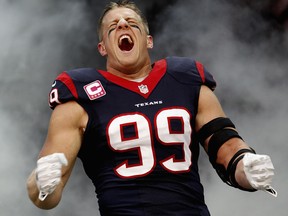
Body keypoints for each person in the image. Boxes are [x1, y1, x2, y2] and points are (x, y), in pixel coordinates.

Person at [26, 0, 277, 215]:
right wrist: (40, 184)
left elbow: (225, 144)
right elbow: (48, 190)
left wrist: (245, 165)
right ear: (102, 47)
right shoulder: (80, 95)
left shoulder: (184, 78)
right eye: (112, 26)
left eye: (131, 22)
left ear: (148, 41)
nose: (122, 25)